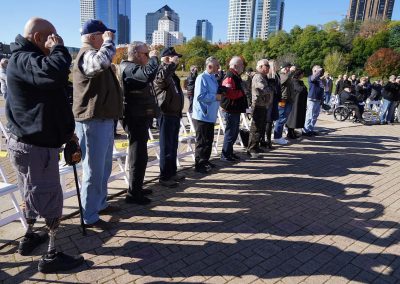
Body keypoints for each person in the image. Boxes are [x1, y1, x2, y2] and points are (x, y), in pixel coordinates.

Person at [6, 17, 83, 273]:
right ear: (39, 38)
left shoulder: (29, 60)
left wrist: (67, 132)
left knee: (30, 191)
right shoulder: (24, 59)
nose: (56, 41)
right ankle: (51, 255)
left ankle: (29, 236)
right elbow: (53, 73)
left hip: (31, 144)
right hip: (35, 147)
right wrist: (59, 49)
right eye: (52, 37)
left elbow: (52, 92)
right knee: (50, 196)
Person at [73, 19, 123, 229]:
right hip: (92, 120)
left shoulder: (92, 52)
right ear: (94, 36)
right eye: (103, 35)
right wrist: (109, 43)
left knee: (103, 168)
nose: (107, 37)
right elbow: (100, 63)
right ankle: (89, 215)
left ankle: (99, 203)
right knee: (93, 171)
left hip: (103, 118)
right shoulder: (86, 54)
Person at [119, 42, 159, 205]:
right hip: (134, 117)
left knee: (141, 155)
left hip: (140, 115)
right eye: (145, 54)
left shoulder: (133, 68)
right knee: (137, 155)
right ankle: (133, 193)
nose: (148, 57)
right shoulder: (128, 68)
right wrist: (155, 58)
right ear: (135, 53)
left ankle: (137, 187)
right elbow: (147, 74)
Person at [154, 47, 185, 188]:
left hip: (174, 113)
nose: (177, 60)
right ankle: (165, 176)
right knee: (166, 146)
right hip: (165, 113)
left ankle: (172, 173)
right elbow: (159, 81)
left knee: (173, 146)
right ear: (166, 58)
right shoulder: (160, 71)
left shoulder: (172, 74)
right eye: (174, 57)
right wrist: (169, 65)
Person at [192, 57, 221, 173]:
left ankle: (205, 160)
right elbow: (199, 96)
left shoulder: (213, 77)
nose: (219, 68)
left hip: (210, 115)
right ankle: (199, 165)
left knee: (209, 140)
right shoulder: (201, 78)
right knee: (202, 141)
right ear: (209, 66)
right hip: (202, 115)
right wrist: (215, 97)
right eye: (217, 66)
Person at [220, 56, 248, 161]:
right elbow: (229, 93)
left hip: (235, 108)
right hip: (230, 109)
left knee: (234, 132)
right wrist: (242, 92)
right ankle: (225, 155)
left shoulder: (235, 75)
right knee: (230, 132)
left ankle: (230, 153)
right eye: (242, 65)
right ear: (235, 66)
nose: (243, 67)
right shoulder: (230, 76)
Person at [247, 59, 274, 158]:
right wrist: (271, 89)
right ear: (261, 67)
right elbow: (262, 89)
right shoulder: (258, 77)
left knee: (261, 127)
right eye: (266, 66)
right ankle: (251, 149)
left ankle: (256, 146)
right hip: (258, 105)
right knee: (256, 128)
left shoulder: (264, 77)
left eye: (268, 66)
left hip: (263, 105)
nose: (268, 68)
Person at [273, 62, 294, 145]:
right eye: (287, 67)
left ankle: (279, 136)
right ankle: (277, 137)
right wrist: (291, 72)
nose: (288, 69)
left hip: (288, 100)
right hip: (282, 100)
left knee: (284, 119)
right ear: (284, 68)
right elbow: (284, 80)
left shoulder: (287, 76)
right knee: (280, 119)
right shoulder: (281, 75)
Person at [303, 65, 324, 136]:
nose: (320, 72)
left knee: (315, 116)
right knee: (309, 115)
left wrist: (322, 100)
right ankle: (305, 130)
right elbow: (313, 78)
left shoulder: (319, 80)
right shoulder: (311, 77)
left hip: (318, 100)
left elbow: (321, 90)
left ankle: (310, 130)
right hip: (312, 99)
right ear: (314, 71)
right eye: (318, 70)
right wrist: (317, 71)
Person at [286, 69, 308, 138]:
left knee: (295, 118)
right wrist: (304, 87)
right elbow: (300, 89)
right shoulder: (294, 81)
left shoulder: (297, 81)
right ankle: (290, 133)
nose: (303, 75)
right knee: (293, 118)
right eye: (302, 74)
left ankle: (292, 132)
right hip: (295, 102)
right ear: (299, 74)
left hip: (298, 102)